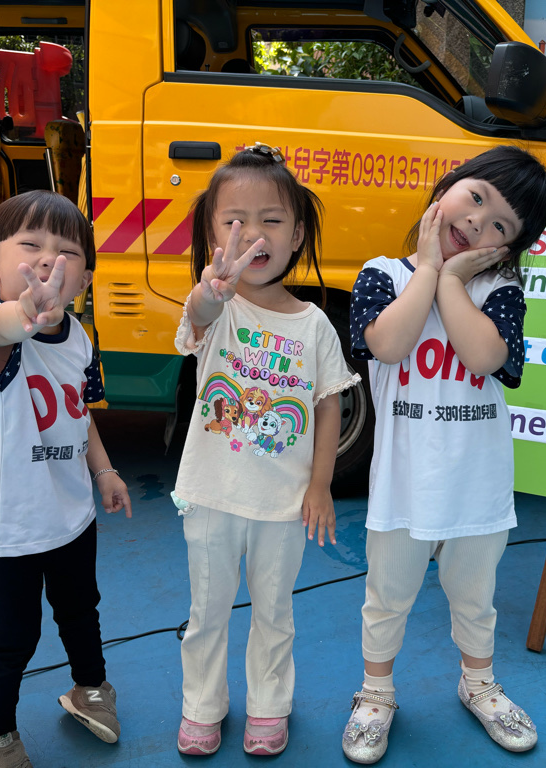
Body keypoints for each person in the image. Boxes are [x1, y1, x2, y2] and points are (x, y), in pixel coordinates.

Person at [342, 145, 546, 763]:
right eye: (476, 198)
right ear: (448, 186)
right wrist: (431, 270)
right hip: (402, 485)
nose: (477, 222)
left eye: (500, 227)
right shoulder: (382, 275)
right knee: (386, 596)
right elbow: (388, 344)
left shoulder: (499, 291)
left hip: (476, 487)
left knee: (474, 597)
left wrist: (453, 280)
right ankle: (376, 693)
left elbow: (485, 356)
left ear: (508, 251)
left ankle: (478, 683)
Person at [171, 144, 360, 757]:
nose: (253, 235)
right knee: (207, 611)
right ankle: (202, 705)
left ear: (297, 233)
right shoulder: (217, 307)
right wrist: (211, 291)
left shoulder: (314, 324)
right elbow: (197, 314)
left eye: (271, 220)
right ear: (212, 235)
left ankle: (270, 705)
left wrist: (320, 485)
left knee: (275, 612)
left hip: (282, 503)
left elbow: (328, 406)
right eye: (235, 221)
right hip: (211, 495)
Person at [0, 189, 132, 768]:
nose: (47, 260)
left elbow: (80, 412)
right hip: (14, 526)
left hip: (73, 514)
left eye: (67, 253)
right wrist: (28, 311)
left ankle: (91, 688)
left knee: (82, 610)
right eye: (30, 245)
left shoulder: (81, 336)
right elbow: (7, 325)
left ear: (85, 276)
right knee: (13, 638)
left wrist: (104, 470)